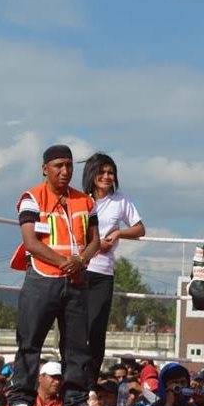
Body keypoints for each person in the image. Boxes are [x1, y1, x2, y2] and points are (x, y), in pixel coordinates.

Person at [7, 144, 104, 406]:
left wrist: (81, 260)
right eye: (59, 165)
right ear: (45, 168)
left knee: (76, 345)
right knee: (30, 340)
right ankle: (20, 399)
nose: (65, 171)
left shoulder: (85, 200)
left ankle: (75, 403)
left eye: (69, 165)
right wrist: (65, 262)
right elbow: (30, 242)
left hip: (75, 280)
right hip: (42, 278)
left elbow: (95, 240)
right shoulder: (31, 198)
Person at [81, 152, 145, 387]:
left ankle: (89, 385)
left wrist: (119, 232)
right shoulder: (79, 199)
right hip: (79, 269)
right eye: (102, 172)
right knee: (76, 329)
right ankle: (72, 383)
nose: (107, 176)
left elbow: (139, 229)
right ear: (92, 173)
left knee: (97, 330)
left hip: (103, 273)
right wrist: (96, 245)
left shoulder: (120, 200)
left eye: (111, 172)